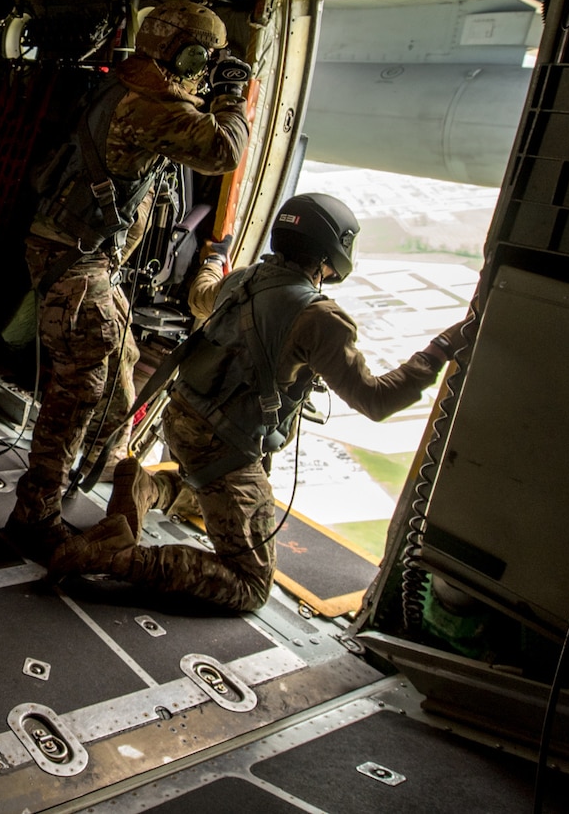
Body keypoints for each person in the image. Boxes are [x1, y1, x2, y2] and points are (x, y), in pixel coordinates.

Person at [52, 194, 468, 609]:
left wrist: (216, 258)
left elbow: (201, 296)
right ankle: (122, 558)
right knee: (250, 585)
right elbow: (378, 400)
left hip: (180, 419)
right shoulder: (321, 318)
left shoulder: (245, 279)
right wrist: (441, 347)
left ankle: (147, 488)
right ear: (332, 254)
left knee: (218, 495)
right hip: (222, 448)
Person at [4, 0, 254, 560]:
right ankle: (34, 514)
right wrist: (233, 93)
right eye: (201, 57)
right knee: (75, 397)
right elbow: (224, 148)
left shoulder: (125, 84)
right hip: (80, 265)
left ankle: (108, 476)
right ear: (183, 53)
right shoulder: (148, 105)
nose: (202, 67)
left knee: (118, 382)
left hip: (86, 260)